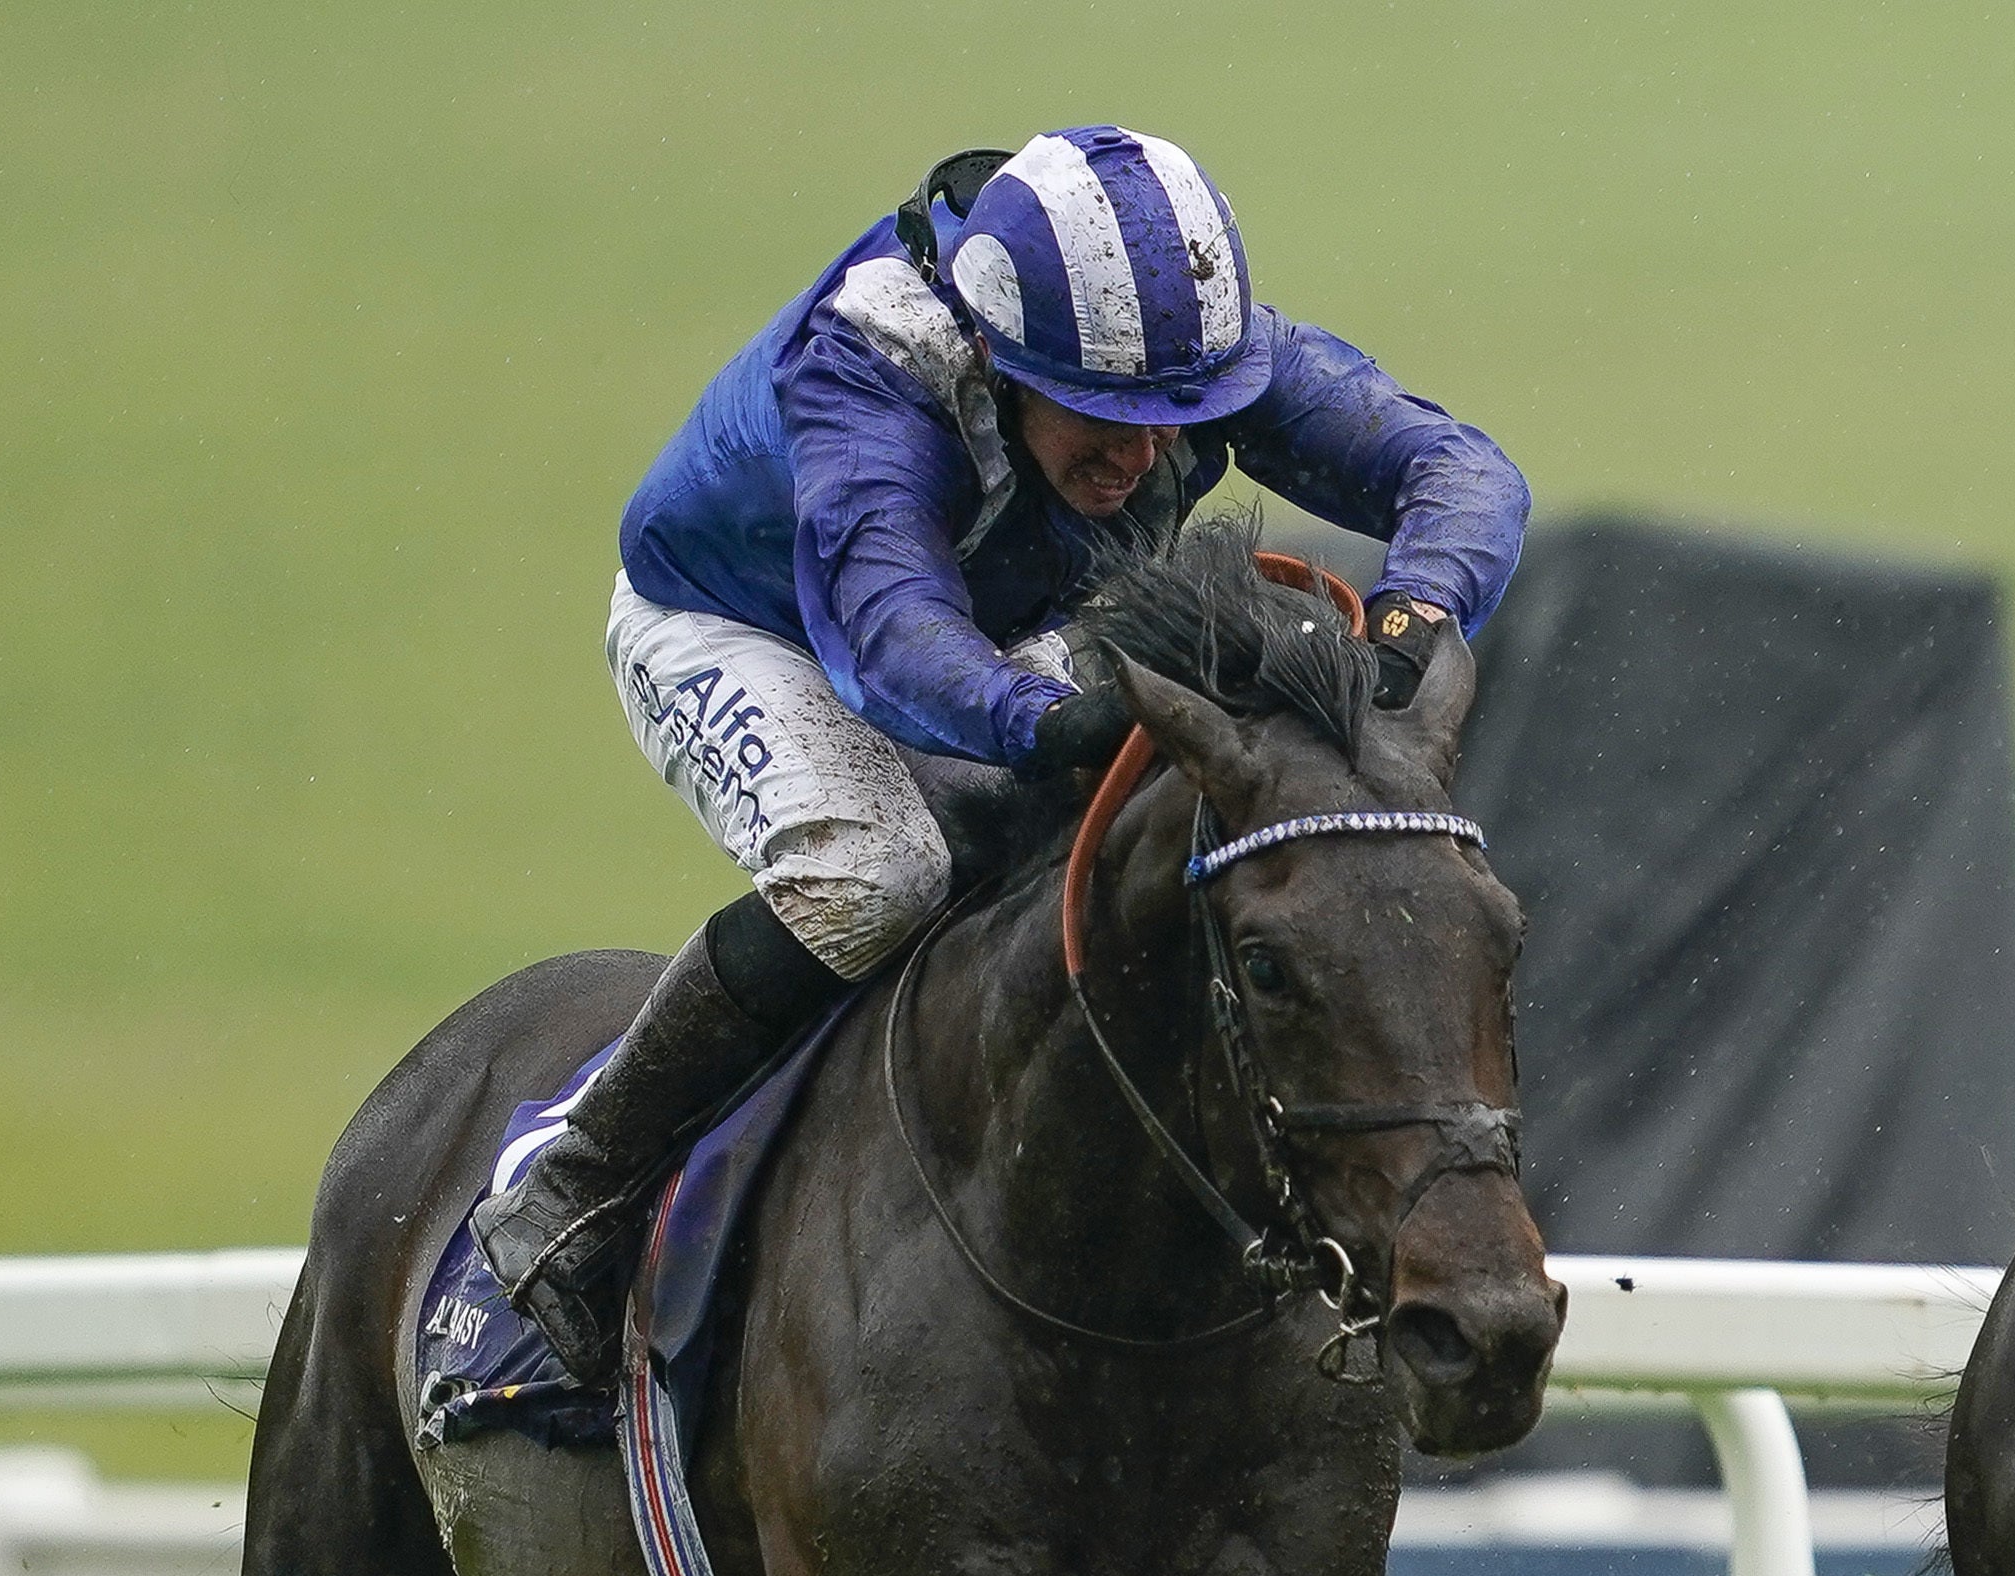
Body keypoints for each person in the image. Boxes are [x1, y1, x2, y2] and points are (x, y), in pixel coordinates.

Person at [474, 127, 1529, 1387]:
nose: (1141, 455)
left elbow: (1459, 470)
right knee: (876, 875)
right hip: (746, 624)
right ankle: (576, 1185)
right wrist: (1044, 726)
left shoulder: (1184, 344)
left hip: (987, 620)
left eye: (1173, 418)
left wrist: (1416, 612)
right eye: (1099, 418)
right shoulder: (868, 372)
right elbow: (893, 640)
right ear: (992, 358)